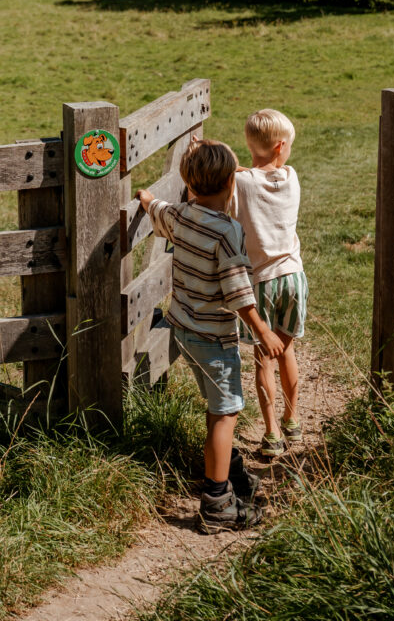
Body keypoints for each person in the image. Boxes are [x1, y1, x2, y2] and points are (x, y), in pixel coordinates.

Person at [136, 138, 284, 532]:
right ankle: (216, 502)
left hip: (184, 329)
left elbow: (158, 210)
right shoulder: (227, 232)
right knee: (225, 414)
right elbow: (238, 290)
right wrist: (262, 330)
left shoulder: (181, 215)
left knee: (216, 408)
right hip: (215, 338)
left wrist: (145, 197)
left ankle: (227, 469)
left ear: (188, 183)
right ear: (231, 185)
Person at [231, 109, 308, 458]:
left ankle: (272, 432)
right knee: (287, 350)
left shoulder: (241, 183)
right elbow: (271, 170)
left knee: (264, 357)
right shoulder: (292, 178)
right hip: (293, 276)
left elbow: (234, 177)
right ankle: (292, 420)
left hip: (260, 281)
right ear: (281, 147)